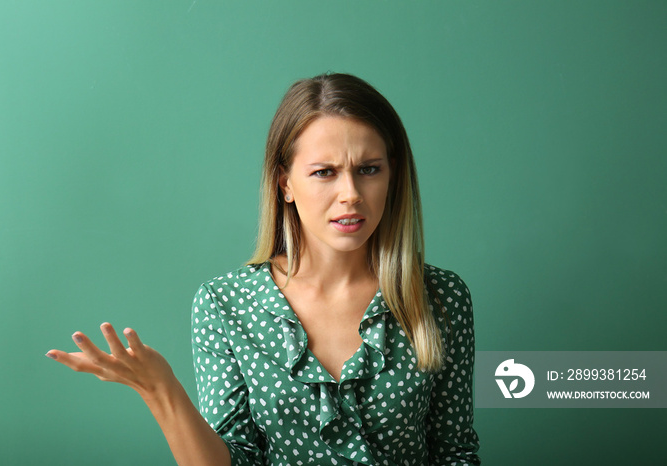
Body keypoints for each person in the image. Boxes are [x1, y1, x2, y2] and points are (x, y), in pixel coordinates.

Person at [47, 72, 481, 465]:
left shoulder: (441, 297)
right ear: (285, 183)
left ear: (392, 174)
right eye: (324, 172)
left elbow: (455, 453)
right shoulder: (225, 304)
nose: (351, 193)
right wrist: (160, 389)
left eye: (368, 169)